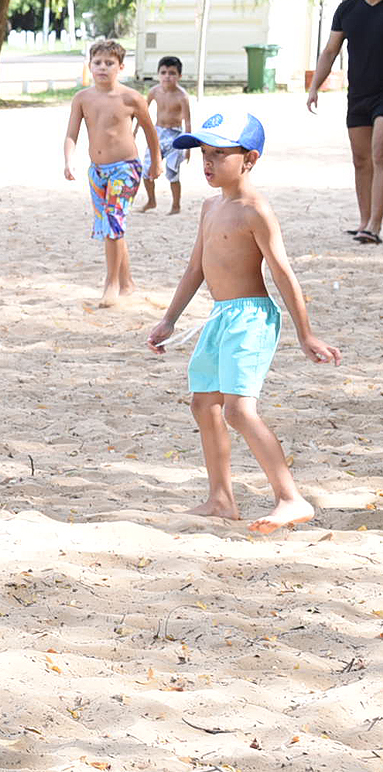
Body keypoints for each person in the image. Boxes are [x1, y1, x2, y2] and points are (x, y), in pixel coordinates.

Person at [146, 113, 341, 532]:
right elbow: (196, 267)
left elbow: (283, 273)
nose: (208, 162)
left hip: (251, 317)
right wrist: (169, 320)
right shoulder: (210, 206)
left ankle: (291, 498)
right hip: (220, 316)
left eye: (220, 153)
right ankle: (221, 499)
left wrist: (305, 333)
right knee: (203, 404)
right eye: (204, 153)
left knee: (238, 410)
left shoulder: (255, 210)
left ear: (249, 158)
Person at [62, 39, 161, 305]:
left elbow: (151, 132)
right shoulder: (82, 98)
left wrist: (157, 161)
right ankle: (127, 282)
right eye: (97, 63)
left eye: (109, 63)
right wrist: (69, 160)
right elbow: (72, 133)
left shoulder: (131, 98)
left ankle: (112, 283)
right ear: (90, 66)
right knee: (110, 226)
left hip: (125, 169)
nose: (102, 68)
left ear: (121, 67)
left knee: (113, 223)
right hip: (97, 172)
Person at [306, 0, 383, 244]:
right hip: (358, 95)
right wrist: (315, 86)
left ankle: (375, 225)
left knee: (379, 153)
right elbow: (330, 51)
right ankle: (364, 222)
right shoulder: (347, 9)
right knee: (361, 160)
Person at [140, 56, 192, 215]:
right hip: (158, 133)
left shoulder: (182, 96)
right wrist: (135, 129)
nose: (167, 76)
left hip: (175, 135)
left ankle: (176, 205)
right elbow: (142, 111)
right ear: (158, 74)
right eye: (163, 72)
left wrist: (188, 146)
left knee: (172, 171)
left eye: (172, 73)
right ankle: (151, 201)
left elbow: (188, 122)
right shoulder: (154, 91)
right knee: (147, 169)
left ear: (179, 76)